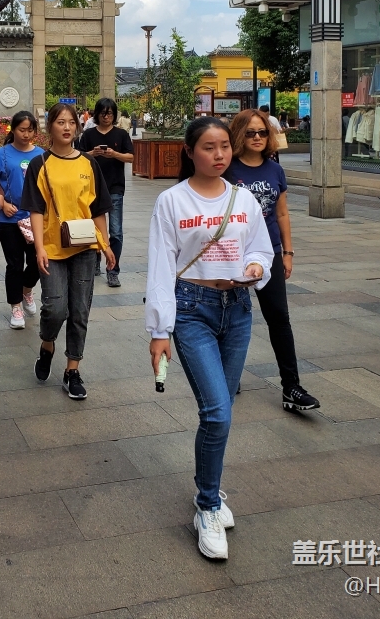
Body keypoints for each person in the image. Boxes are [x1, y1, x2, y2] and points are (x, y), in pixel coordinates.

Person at [146, 116, 273, 560]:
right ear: (189, 151)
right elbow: (161, 265)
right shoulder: (172, 201)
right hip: (192, 310)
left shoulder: (243, 198)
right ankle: (207, 506)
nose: (219, 155)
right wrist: (158, 330)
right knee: (217, 413)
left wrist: (256, 266)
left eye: (224, 146)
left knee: (222, 412)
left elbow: (261, 247)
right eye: (208, 147)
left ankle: (211, 489)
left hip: (237, 309)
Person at [227, 109, 320, 413]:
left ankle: (291, 387)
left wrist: (287, 253)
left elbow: (281, 213)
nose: (257, 137)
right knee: (229, 318)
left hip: (269, 253)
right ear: (239, 134)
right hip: (233, 253)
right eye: (250, 132)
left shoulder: (275, 170)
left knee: (279, 317)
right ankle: (229, 375)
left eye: (262, 132)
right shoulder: (227, 168)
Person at [21, 102, 115, 400]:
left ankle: (72, 370)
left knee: (80, 310)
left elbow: (97, 208)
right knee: (55, 309)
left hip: (85, 246)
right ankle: (47, 344)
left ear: (77, 127)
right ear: (50, 127)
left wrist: (106, 244)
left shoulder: (88, 163)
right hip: (52, 247)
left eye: (71, 122)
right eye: (60, 122)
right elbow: (36, 209)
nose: (66, 127)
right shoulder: (40, 164)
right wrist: (39, 248)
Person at [0, 111, 45, 329]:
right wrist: (2, 203)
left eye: (30, 130)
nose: (26, 134)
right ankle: (16, 307)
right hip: (9, 220)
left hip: (34, 218)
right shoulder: (0, 154)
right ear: (13, 130)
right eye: (22, 130)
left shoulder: (41, 155)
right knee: (14, 265)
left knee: (38, 261)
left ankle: (26, 290)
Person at [78, 97, 134, 287]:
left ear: (114, 114)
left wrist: (114, 154)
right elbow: (77, 156)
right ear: (97, 114)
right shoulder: (88, 135)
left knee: (115, 231)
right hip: (92, 188)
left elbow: (131, 157)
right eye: (103, 113)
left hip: (115, 187)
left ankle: (113, 270)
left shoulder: (121, 134)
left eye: (109, 113)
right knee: (93, 228)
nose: (106, 116)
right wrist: (92, 154)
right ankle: (95, 260)